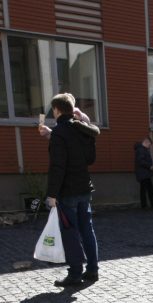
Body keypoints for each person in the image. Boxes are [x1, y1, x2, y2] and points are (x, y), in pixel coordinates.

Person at [42, 93, 101, 287]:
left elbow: (58, 166)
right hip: (84, 188)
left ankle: (75, 273)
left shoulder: (60, 132)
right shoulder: (83, 129)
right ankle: (92, 270)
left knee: (70, 233)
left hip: (67, 192)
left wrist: (52, 194)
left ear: (56, 110)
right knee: (87, 230)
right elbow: (89, 159)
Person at [134, 136, 153, 209]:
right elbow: (140, 161)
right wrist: (149, 166)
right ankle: (151, 205)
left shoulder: (141, 149)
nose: (149, 146)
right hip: (144, 173)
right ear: (146, 142)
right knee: (148, 189)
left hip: (143, 173)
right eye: (149, 145)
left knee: (144, 190)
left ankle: (145, 205)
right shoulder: (141, 150)